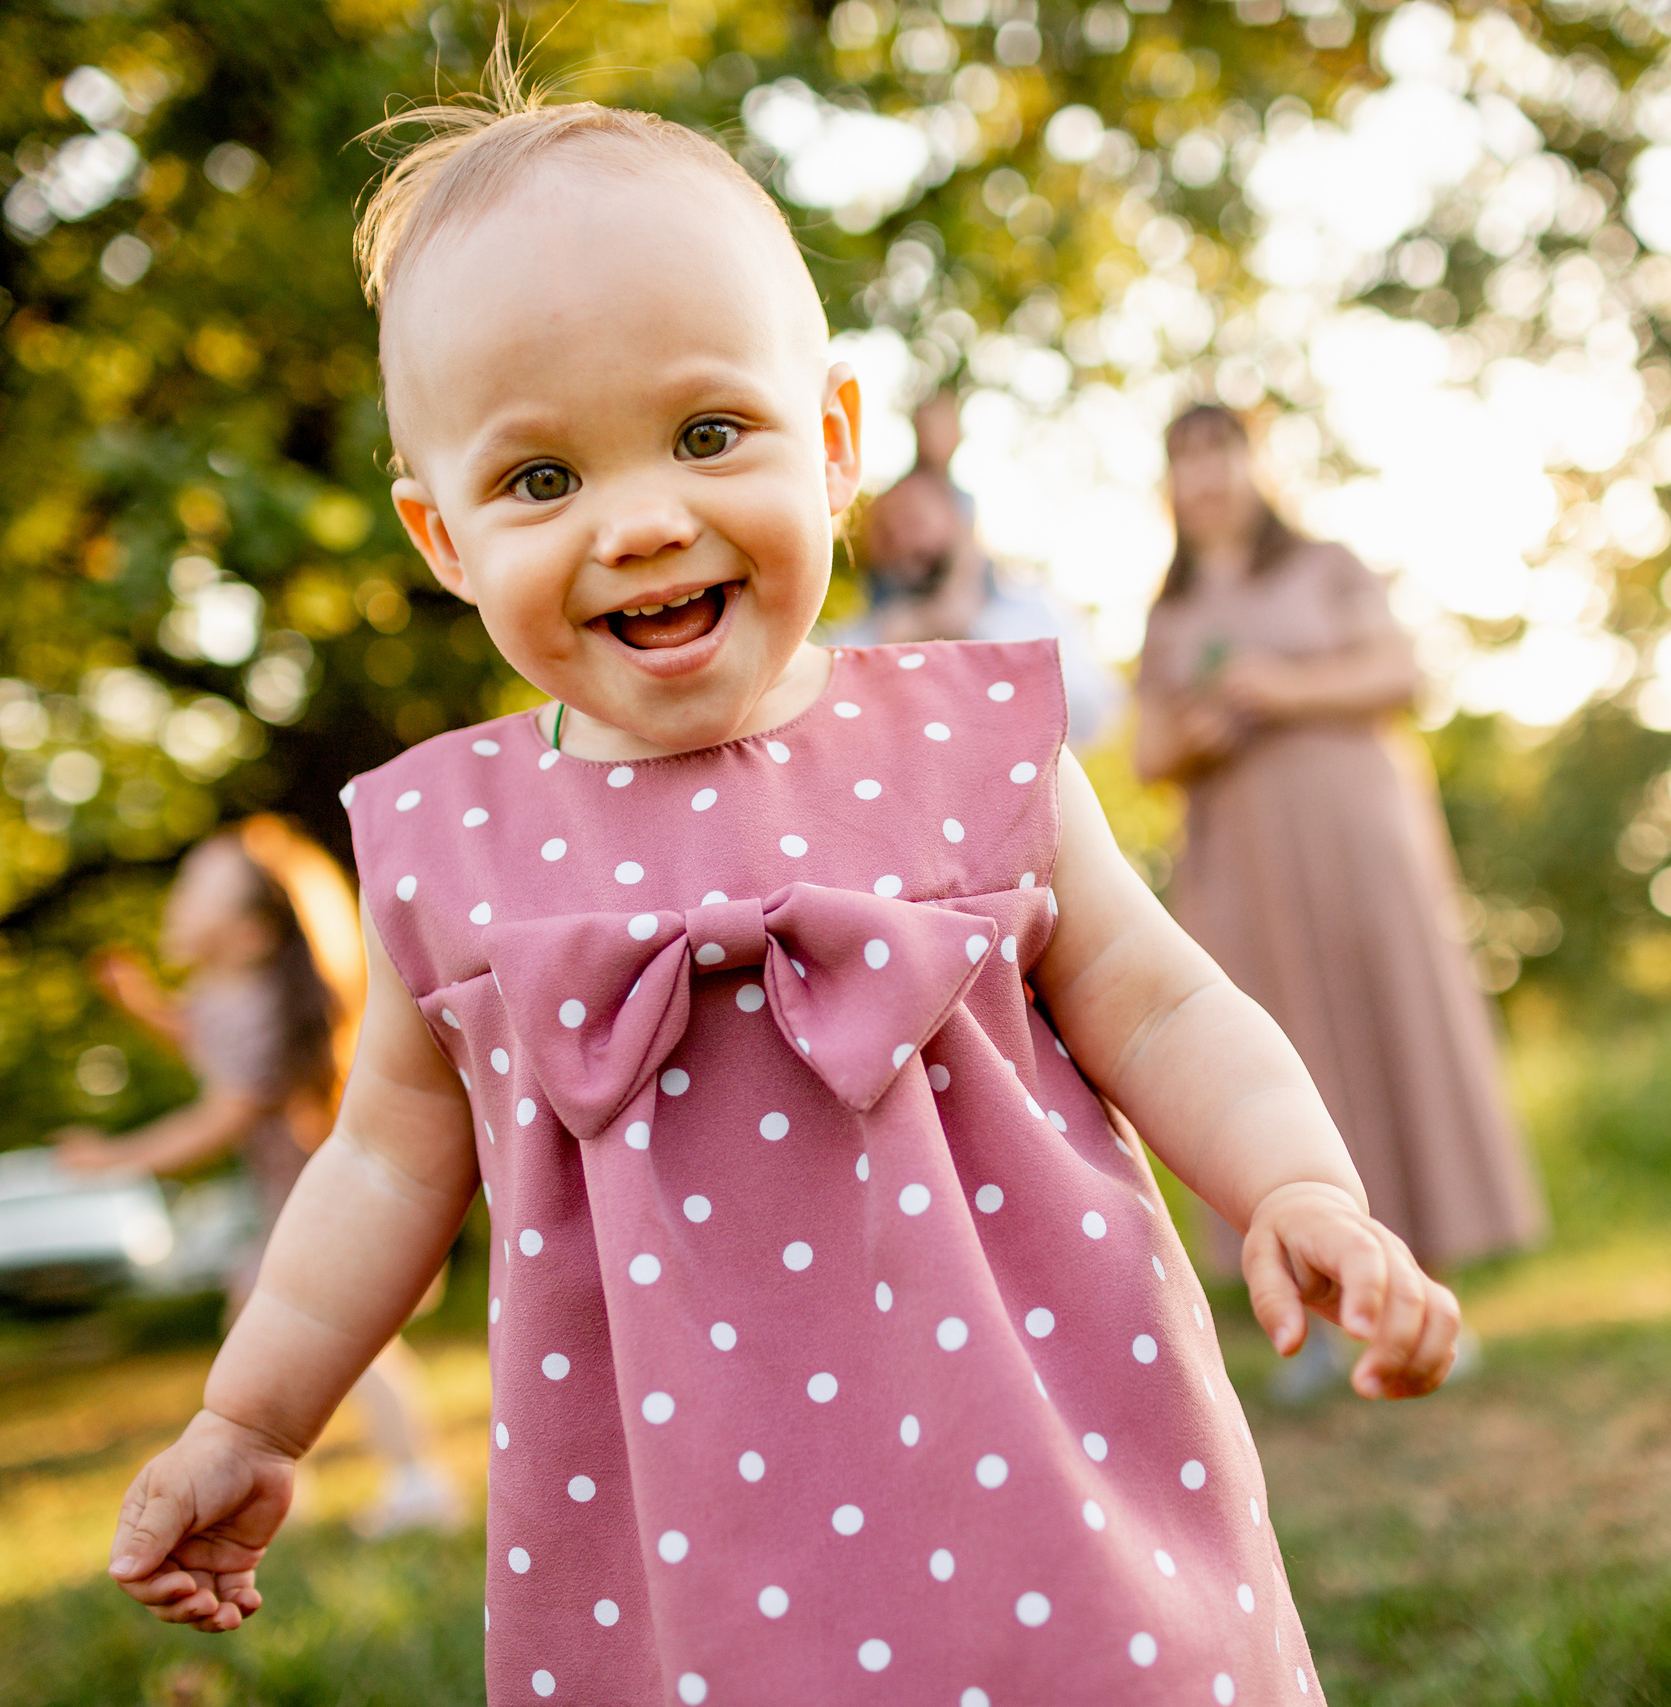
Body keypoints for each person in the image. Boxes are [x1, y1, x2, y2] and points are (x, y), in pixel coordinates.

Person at [102, 63, 1459, 1707]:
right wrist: (251, 1417)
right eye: (542, 479)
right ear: (442, 535)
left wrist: (1299, 1184)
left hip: (1036, 1456)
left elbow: (1161, 998)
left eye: (706, 432)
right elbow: (383, 1164)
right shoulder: (446, 848)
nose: (644, 520)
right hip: (672, 1534)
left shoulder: (973, 744)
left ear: (830, 446)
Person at [1136, 404, 1545, 1397]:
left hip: (1358, 847)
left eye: (1220, 454)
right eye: (1186, 462)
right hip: (1245, 873)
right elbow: (1150, 751)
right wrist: (1203, 732)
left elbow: (1397, 672)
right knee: (1279, 1058)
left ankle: (1425, 1297)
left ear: (1250, 463)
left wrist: (1281, 689)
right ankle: (1318, 1323)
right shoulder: (1169, 616)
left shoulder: (1325, 568)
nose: (1207, 478)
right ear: (1170, 484)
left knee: (1385, 1034)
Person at [56, 816, 460, 1538]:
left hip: (338, 1210)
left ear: (250, 934)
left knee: (338, 1348)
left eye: (195, 890)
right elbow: (212, 1051)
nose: (176, 902)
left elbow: (221, 1114)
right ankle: (284, 1483)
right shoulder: (232, 998)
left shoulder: (261, 1004)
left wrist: (112, 1157)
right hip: (304, 1208)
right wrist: (150, 1007)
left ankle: (413, 1483)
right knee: (271, 1333)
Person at [834, 464, 1123, 748]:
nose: (902, 541)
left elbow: (1092, 713)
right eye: (886, 533)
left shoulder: (1032, 609)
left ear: (958, 526)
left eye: (913, 522)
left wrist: (972, 627)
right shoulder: (858, 642)